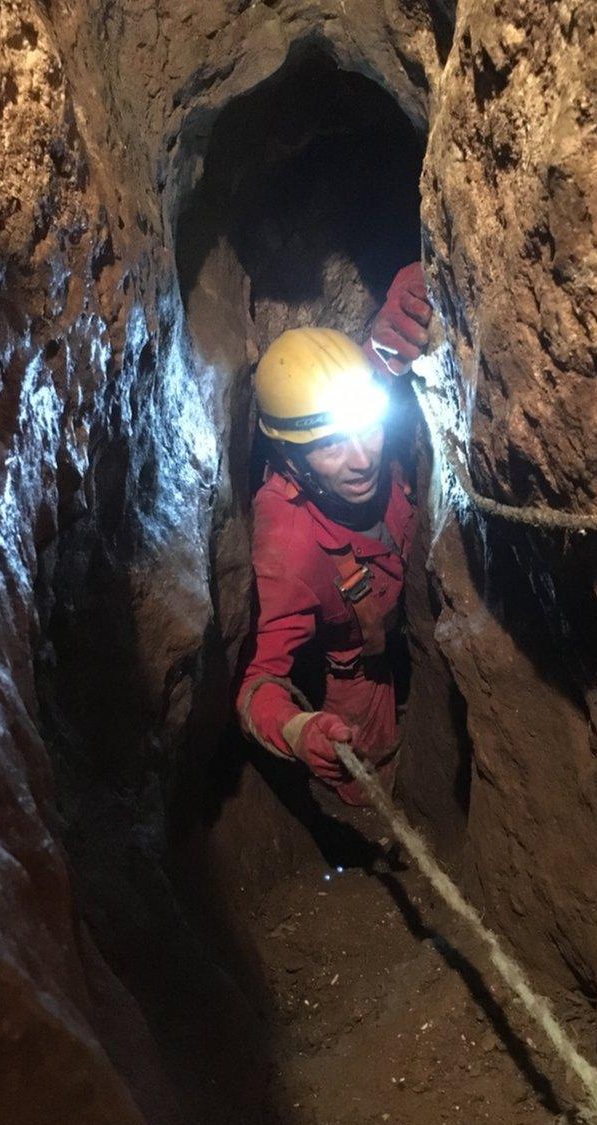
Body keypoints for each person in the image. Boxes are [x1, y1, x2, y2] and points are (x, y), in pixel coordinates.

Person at [237, 263, 431, 807]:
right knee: (364, 785)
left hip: (410, 596)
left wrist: (405, 310)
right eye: (330, 448)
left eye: (368, 428)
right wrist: (298, 730)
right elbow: (258, 685)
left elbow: (368, 372)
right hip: (358, 666)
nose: (363, 457)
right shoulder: (289, 544)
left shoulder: (345, 406)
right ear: (291, 458)